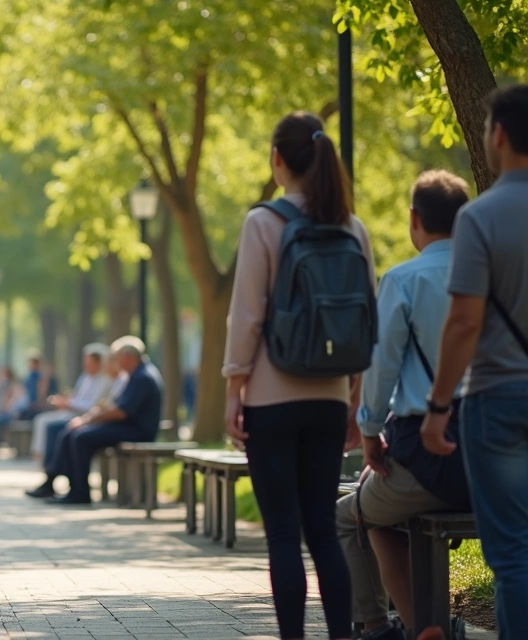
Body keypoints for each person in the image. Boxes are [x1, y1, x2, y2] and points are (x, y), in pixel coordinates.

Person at [224, 112, 373, 640]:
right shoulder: (352, 227)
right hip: (330, 397)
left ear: (277, 159)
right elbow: (364, 321)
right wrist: (354, 398)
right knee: (324, 534)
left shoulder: (263, 222)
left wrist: (234, 388)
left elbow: (248, 316)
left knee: (283, 535)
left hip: (271, 396)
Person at [335, 170, 471, 640]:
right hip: (496, 455)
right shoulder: (497, 274)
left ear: (414, 219)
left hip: (427, 458)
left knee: (351, 515)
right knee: (383, 511)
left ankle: (385, 628)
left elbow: (381, 366)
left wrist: (370, 434)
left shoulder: (403, 279)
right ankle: (428, 624)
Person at [423, 84, 528, 640]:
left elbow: (464, 322)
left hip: (498, 399)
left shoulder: (479, 217)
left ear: (500, 135)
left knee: (512, 552)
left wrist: (439, 406)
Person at [27, 337, 161, 504]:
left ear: (127, 356)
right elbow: (116, 407)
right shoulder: (137, 374)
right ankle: (62, 484)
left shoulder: (142, 377)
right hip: (129, 426)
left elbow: (121, 412)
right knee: (71, 433)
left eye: (117, 357)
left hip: (137, 431)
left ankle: (80, 493)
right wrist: (88, 419)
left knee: (80, 437)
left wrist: (88, 420)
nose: (116, 362)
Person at [29, 343, 113, 460]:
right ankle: (40, 456)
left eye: (88, 361)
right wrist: (65, 400)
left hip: (83, 415)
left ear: (97, 362)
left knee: (51, 426)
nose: (85, 364)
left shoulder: (104, 380)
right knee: (41, 419)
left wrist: (68, 404)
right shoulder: (85, 377)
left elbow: (92, 405)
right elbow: (78, 396)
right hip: (74, 412)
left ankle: (50, 461)